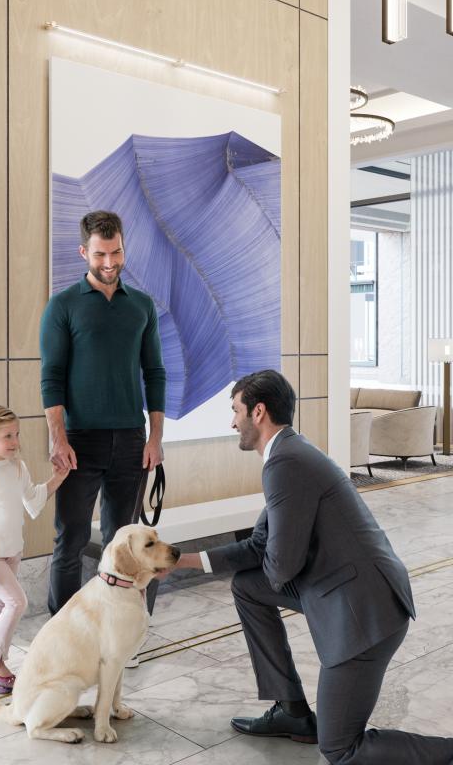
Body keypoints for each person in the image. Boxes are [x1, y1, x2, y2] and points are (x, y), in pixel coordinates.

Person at [169, 370, 453, 764]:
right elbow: (261, 548)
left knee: (340, 748)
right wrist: (181, 560)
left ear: (259, 412)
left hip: (365, 614)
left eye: (235, 411)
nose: (232, 421)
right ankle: (292, 712)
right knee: (248, 587)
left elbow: (281, 567)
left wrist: (276, 558)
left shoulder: (284, 463)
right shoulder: (289, 452)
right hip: (354, 590)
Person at [40, 210, 166, 616]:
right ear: (83, 252)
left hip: (131, 440)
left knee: (126, 540)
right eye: (99, 254)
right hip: (80, 441)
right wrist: (57, 438)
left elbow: (155, 373)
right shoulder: (62, 306)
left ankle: (125, 625)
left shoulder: (142, 306)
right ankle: (60, 630)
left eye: (115, 253)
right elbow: (52, 376)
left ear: (123, 249)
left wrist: (155, 438)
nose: (109, 263)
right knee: (72, 540)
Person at [0, 404, 68, 693]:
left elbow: (32, 502)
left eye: (16, 434)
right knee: (17, 602)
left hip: (13, 551)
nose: (15, 442)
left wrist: (57, 478)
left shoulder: (18, 468)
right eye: (7, 436)